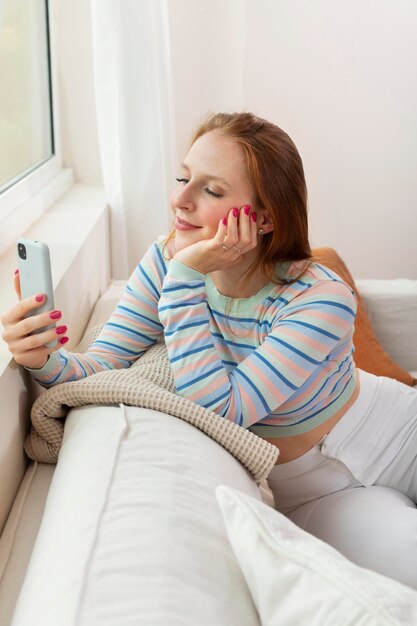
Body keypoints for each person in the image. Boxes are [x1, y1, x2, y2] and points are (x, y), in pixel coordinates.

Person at [2, 112, 417, 588]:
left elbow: (224, 405)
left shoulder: (320, 298)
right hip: (310, 494)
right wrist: (43, 359)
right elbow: (114, 372)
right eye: (183, 178)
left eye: (211, 190)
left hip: (398, 431)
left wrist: (184, 277)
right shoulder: (168, 263)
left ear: (263, 218)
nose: (180, 199)